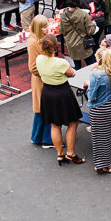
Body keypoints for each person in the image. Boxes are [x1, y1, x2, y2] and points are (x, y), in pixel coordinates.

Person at [36, 36, 84, 166]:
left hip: (47, 93)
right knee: (73, 122)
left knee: (54, 124)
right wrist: (72, 70)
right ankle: (71, 153)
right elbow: (72, 74)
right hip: (62, 93)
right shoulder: (61, 63)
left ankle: (59, 154)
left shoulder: (39, 59)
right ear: (55, 47)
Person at [84, 49, 111, 175]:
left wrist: (89, 85)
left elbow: (92, 96)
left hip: (99, 109)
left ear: (99, 59)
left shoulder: (97, 75)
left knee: (97, 137)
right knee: (106, 136)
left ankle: (101, 165)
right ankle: (107, 164)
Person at [23, 16, 55, 148]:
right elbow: (32, 67)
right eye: (44, 27)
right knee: (46, 109)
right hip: (42, 80)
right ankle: (47, 139)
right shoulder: (33, 43)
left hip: (42, 79)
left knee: (41, 109)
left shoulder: (37, 39)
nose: (47, 28)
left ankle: (36, 137)